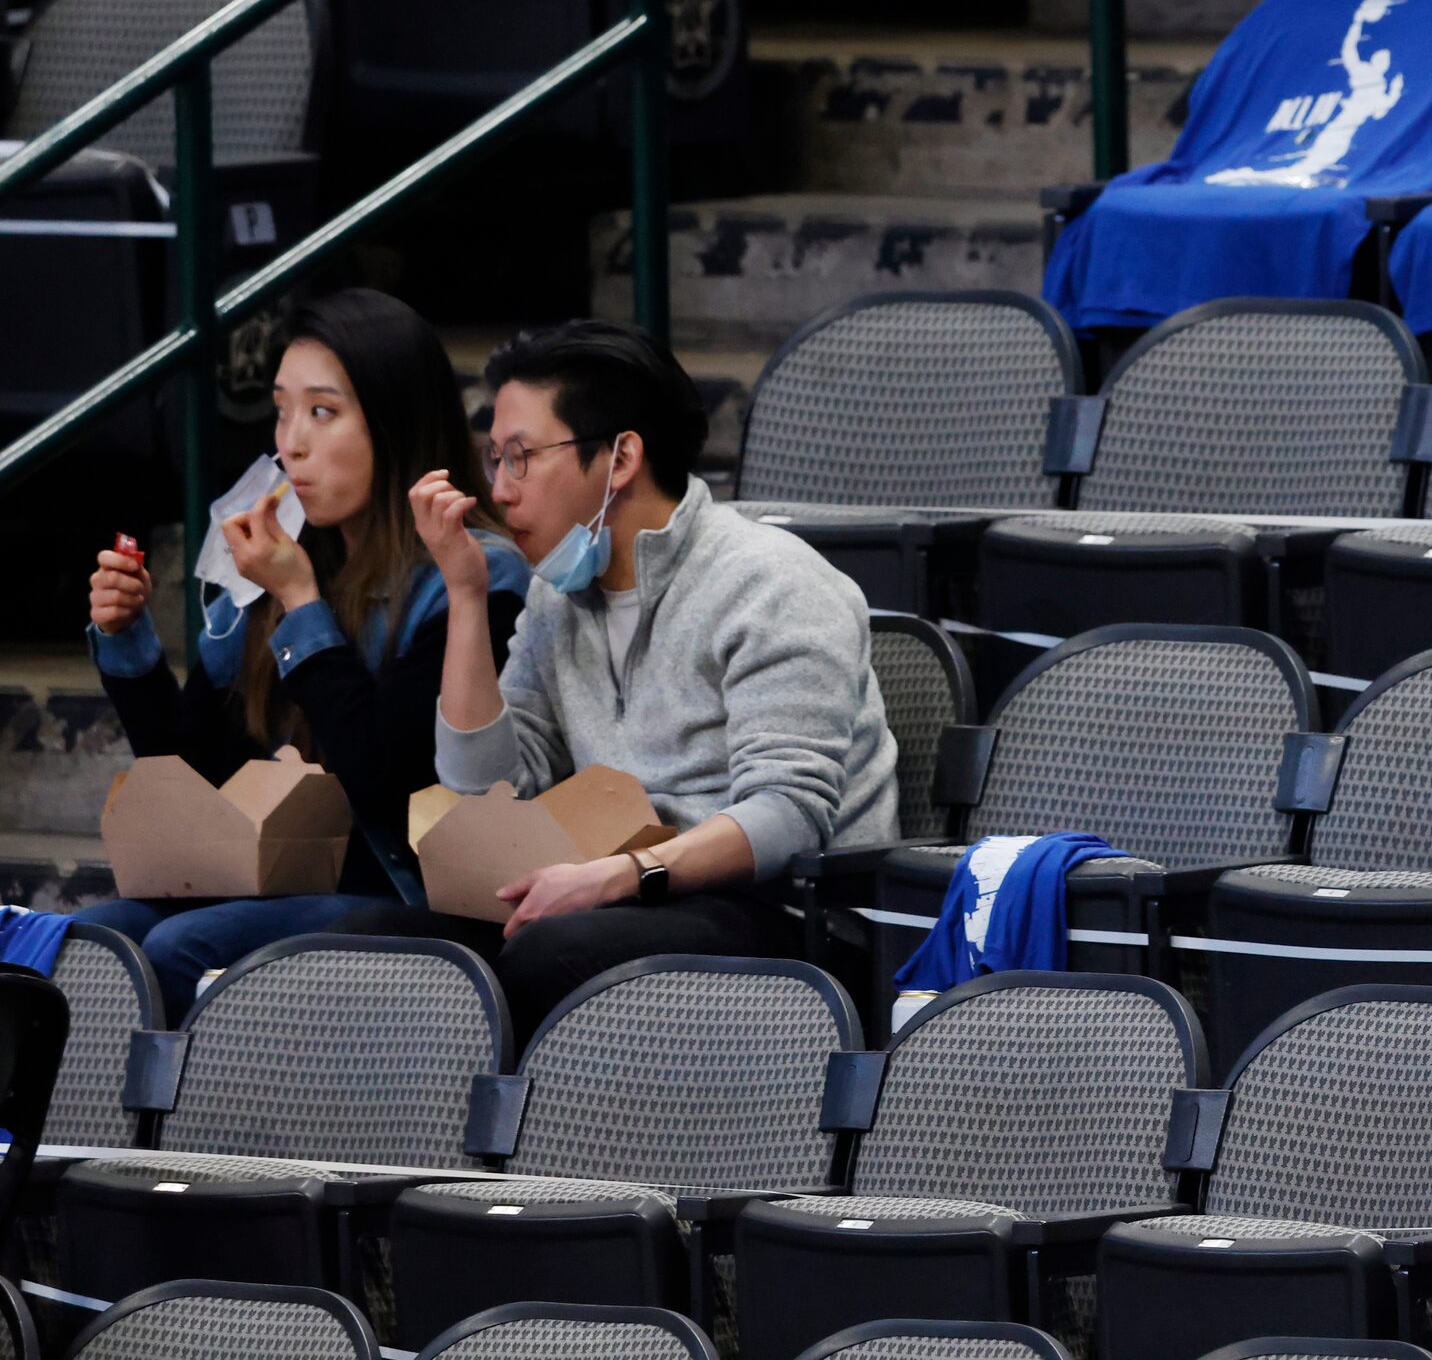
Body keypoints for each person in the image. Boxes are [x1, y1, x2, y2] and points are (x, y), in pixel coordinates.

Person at [331, 318, 898, 1036]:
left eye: (521, 458)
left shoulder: (773, 583)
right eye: (493, 460)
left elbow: (788, 815)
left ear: (621, 457)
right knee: (381, 945)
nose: (499, 492)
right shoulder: (555, 596)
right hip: (622, 892)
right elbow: (486, 789)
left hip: (789, 912)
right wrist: (467, 597)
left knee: (549, 954)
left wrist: (625, 876)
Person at [82, 290, 531, 1018]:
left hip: (400, 890)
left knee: (177, 948)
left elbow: (391, 784)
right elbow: (189, 770)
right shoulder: (286, 558)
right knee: (98, 939)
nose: (291, 443)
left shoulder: (473, 572)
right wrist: (127, 640)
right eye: (283, 411)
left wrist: (301, 605)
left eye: (322, 413)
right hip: (273, 872)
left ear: (394, 425)